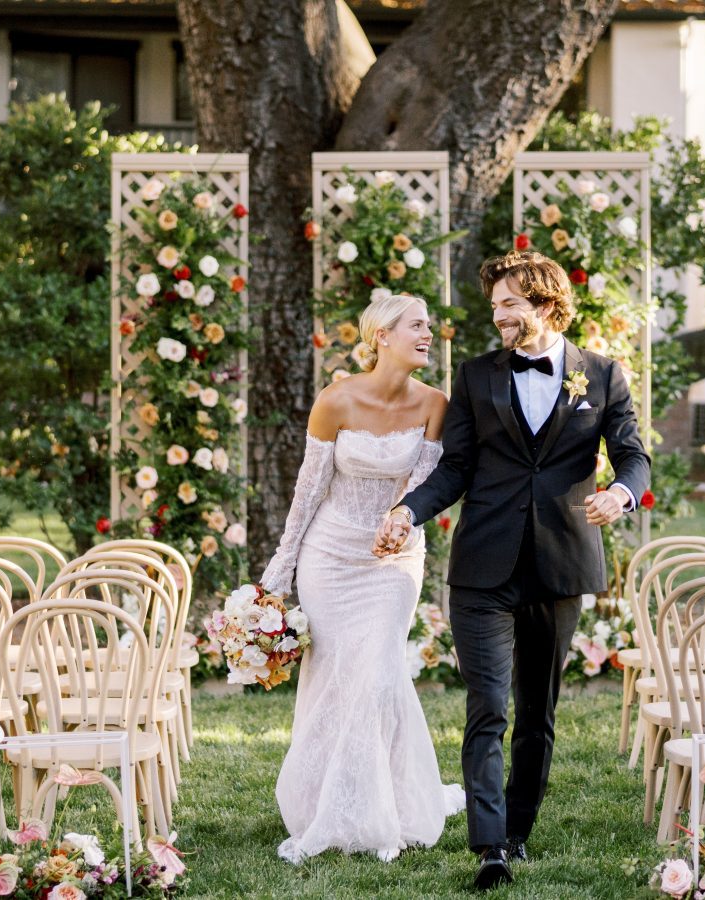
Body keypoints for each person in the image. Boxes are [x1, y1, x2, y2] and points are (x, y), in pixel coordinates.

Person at [375, 251, 650, 890]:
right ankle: (490, 845)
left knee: (538, 711)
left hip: (560, 564)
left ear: (547, 305)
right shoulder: (475, 377)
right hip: (483, 568)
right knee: (487, 705)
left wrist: (619, 494)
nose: (496, 316)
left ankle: (519, 831)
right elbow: (455, 467)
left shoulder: (603, 376)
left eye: (508, 305)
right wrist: (408, 512)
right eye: (495, 304)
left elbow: (634, 457)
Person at [259, 291, 466, 863]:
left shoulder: (435, 403)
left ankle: (380, 811)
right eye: (417, 326)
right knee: (335, 679)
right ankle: (319, 803)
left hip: (392, 563)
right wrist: (280, 571)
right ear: (382, 336)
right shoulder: (336, 400)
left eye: (430, 325)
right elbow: (307, 495)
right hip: (329, 557)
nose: (429, 334)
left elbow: (420, 488)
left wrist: (397, 527)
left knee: (377, 675)